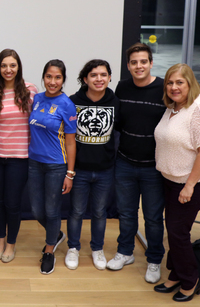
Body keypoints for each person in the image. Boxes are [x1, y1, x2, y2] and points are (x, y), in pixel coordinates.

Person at [153, 63, 200, 302]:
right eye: (170, 83)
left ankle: (191, 280)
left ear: (190, 83)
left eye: (179, 82)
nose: (173, 87)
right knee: (174, 230)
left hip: (193, 182)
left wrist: (189, 185)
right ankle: (175, 274)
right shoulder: (173, 107)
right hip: (171, 179)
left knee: (178, 232)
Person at [107, 43, 166, 283]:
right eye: (133, 62)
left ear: (151, 63)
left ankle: (154, 260)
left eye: (143, 61)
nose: (138, 66)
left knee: (153, 217)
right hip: (125, 162)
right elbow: (118, 122)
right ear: (128, 65)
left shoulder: (164, 88)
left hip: (154, 166)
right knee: (126, 213)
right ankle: (125, 252)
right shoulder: (122, 87)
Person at [66, 59, 119, 271]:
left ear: (109, 77)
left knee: (99, 212)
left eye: (103, 75)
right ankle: (73, 248)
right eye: (94, 75)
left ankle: (97, 248)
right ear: (85, 79)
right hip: (79, 169)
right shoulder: (72, 101)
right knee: (77, 211)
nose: (99, 79)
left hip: (105, 169)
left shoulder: (115, 102)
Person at [28, 59, 77, 275]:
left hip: (57, 166)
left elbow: (70, 142)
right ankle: (56, 234)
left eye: (57, 77)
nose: (52, 81)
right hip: (34, 163)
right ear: (43, 77)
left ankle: (49, 251)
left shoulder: (67, 104)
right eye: (49, 76)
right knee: (37, 210)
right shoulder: (37, 99)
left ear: (63, 80)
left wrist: (70, 173)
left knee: (51, 209)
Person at [0, 49, 37, 263]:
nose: (8, 70)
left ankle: (11, 244)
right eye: (4, 66)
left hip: (20, 157)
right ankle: (0, 240)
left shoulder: (30, 90)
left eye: (13, 65)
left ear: (19, 67)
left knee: (13, 203)